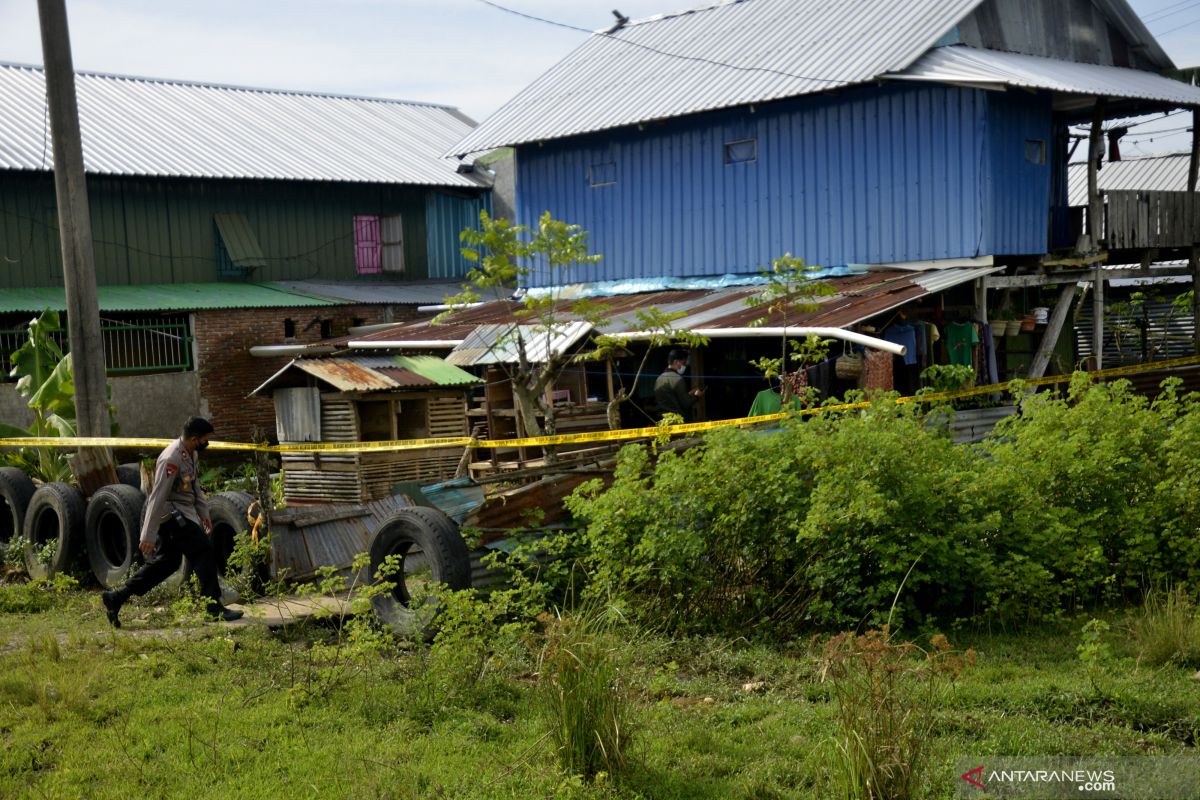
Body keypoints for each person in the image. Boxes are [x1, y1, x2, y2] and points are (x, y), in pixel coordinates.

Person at [101, 417, 243, 627]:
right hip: (173, 515)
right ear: (195, 439)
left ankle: (117, 597)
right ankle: (213, 608)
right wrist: (148, 535)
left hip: (184, 513)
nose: (207, 443)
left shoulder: (190, 454)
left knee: (167, 562)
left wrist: (204, 514)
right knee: (203, 552)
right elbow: (157, 496)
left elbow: (194, 488)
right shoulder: (171, 459)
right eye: (205, 439)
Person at [654, 348, 704, 421]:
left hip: (663, 419)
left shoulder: (659, 378)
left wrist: (689, 394)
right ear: (676, 362)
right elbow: (686, 403)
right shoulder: (677, 379)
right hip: (676, 420)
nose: (684, 366)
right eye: (683, 363)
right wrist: (697, 396)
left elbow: (672, 397)